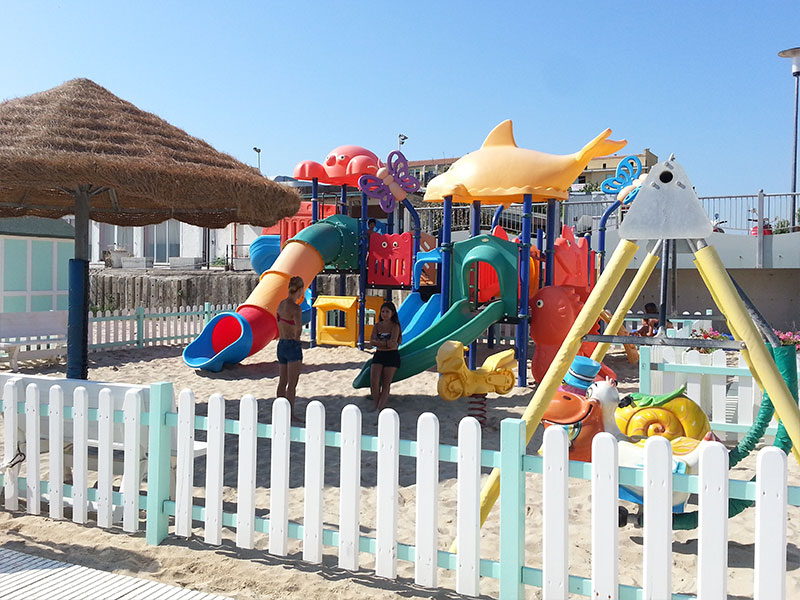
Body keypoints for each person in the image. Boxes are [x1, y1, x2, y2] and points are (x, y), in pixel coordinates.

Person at [276, 276, 305, 422]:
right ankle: (290, 414)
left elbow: (278, 321)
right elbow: (299, 328)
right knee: (292, 384)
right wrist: (297, 338)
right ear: (299, 289)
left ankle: (279, 411)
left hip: (281, 344)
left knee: (282, 381)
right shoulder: (296, 308)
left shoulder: (281, 304)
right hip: (292, 345)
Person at [369, 300, 402, 411]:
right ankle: (377, 405)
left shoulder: (395, 326)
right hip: (379, 355)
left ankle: (379, 408)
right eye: (382, 311)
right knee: (374, 382)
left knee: (386, 383)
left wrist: (379, 343)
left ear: (392, 313)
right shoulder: (377, 325)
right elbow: (371, 341)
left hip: (392, 356)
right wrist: (385, 344)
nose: (384, 314)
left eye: (387, 311)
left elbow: (393, 343)